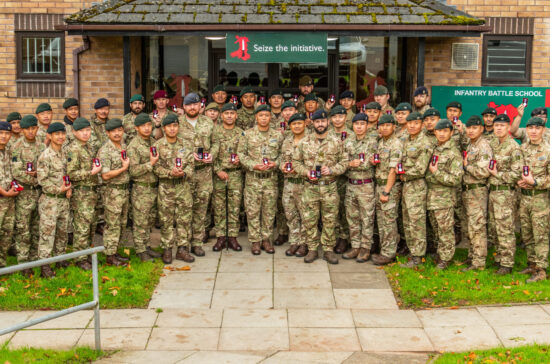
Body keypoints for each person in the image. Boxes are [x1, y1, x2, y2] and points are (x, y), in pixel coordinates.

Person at [293, 109, 347, 264]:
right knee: (310, 220)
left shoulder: (337, 141)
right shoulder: (304, 142)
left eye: (323, 121)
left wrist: (332, 170)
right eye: (317, 121)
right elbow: (296, 162)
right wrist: (306, 172)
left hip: (329, 187)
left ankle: (328, 250)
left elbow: (344, 163)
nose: (321, 124)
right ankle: (312, 249)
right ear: (313, 123)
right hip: (310, 187)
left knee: (330, 220)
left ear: (327, 122)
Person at [238, 104, 282, 255]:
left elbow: (285, 155)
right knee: (252, 211)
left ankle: (266, 240)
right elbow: (241, 155)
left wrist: (275, 163)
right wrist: (253, 165)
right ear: (256, 117)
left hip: (270, 179)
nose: (264, 118)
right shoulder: (247, 134)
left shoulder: (277, 135)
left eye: (266, 115)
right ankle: (255, 241)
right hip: (253, 179)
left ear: (270, 117)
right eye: (261, 115)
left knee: (269, 212)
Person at [178, 93, 217, 257]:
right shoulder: (177, 123)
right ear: (184, 107)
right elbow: (171, 144)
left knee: (201, 210)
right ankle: (182, 245)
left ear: (201, 106)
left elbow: (216, 142)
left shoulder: (208, 122)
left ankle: (197, 243)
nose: (192, 107)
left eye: (195, 104)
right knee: (183, 211)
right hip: (185, 174)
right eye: (189, 105)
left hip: (204, 173)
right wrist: (187, 156)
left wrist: (212, 154)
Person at [153, 114, 195, 264]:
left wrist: (184, 173)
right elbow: (155, 167)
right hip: (166, 188)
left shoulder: (186, 144)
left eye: (175, 126)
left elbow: (191, 164)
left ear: (178, 127)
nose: (172, 129)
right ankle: (167, 249)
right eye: (169, 126)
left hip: (183, 187)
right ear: (164, 128)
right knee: (166, 220)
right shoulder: (157, 145)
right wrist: (169, 173)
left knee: (184, 220)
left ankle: (182, 249)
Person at [425, 119, 463, 270]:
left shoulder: (453, 153)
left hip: (444, 197)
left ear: (451, 133)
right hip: (432, 196)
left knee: (445, 229)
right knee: (436, 228)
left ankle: (446, 259)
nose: (441, 134)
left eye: (445, 131)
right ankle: (440, 254)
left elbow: (455, 179)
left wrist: (437, 173)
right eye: (439, 131)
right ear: (434, 132)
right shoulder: (435, 149)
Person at [487, 114, 522, 275]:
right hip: (493, 193)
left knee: (505, 229)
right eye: (496, 126)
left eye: (502, 125)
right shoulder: (492, 144)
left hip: (506, 194)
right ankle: (499, 258)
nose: (499, 128)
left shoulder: (513, 147)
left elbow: (516, 174)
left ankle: (507, 264)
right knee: (494, 228)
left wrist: (496, 175)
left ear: (508, 128)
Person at [36, 122, 72, 278]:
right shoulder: (45, 156)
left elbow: (66, 174)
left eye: (62, 134)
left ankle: (60, 259)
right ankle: (44, 266)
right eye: (56, 134)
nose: (60, 137)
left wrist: (68, 188)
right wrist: (59, 190)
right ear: (49, 136)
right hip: (50, 201)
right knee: (47, 234)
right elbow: (42, 181)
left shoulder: (64, 153)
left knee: (62, 233)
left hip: (63, 200)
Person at [517, 116, 550, 283]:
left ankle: (541, 269)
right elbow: (517, 169)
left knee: (540, 235)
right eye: (530, 128)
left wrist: (535, 182)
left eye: (537, 128)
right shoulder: (523, 148)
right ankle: (531, 264)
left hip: (540, 199)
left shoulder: (548, 151)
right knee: (527, 234)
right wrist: (519, 180)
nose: (534, 131)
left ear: (543, 130)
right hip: (524, 198)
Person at [10, 115, 45, 274]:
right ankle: (23, 264)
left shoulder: (42, 146)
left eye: (33, 128)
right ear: (22, 130)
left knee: (37, 228)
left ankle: (34, 258)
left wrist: (39, 176)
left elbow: (45, 167)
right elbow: (16, 172)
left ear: (37, 128)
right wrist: (37, 178)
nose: (31, 132)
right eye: (27, 129)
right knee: (23, 230)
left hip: (39, 193)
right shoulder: (16, 147)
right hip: (24, 194)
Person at [66, 117, 101, 270]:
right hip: (81, 193)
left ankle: (87, 254)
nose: (86, 133)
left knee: (91, 225)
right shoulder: (73, 149)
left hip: (91, 193)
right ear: (74, 132)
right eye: (82, 131)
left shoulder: (89, 147)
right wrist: (91, 172)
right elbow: (71, 173)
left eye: (87, 130)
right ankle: (80, 258)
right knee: (82, 226)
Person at [342, 113, 377, 262]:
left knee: (367, 218)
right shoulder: (347, 142)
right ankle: (355, 246)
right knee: (352, 218)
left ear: (367, 126)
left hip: (366, 184)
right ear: (353, 126)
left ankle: (365, 248)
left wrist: (356, 163)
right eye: (357, 124)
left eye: (362, 124)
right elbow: (343, 161)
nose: (359, 127)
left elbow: (370, 162)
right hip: (351, 184)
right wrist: (350, 164)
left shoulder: (373, 142)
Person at [127, 113, 162, 262]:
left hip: (153, 187)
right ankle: (140, 250)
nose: (147, 128)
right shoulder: (133, 146)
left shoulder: (153, 142)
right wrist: (151, 164)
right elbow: (133, 170)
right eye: (143, 126)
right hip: (141, 189)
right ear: (136, 128)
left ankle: (146, 246)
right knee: (140, 221)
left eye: (149, 125)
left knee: (149, 220)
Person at [399, 112, 433, 268]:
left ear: (422, 125)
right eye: (409, 123)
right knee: (407, 221)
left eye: (416, 123)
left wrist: (403, 173)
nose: (412, 126)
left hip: (417, 186)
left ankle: (418, 256)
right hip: (406, 186)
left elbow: (420, 169)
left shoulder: (424, 143)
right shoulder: (406, 140)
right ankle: (412, 252)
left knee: (416, 222)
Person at [211, 103, 244, 252]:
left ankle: (232, 237)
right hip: (219, 174)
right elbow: (210, 154)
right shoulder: (215, 132)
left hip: (236, 174)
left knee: (234, 207)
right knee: (219, 207)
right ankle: (220, 237)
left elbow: (247, 153)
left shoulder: (241, 133)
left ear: (236, 115)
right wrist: (217, 170)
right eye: (226, 113)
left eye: (232, 113)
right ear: (221, 115)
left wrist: (240, 160)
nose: (229, 116)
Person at [371, 114, 403, 265]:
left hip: (389, 186)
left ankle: (389, 254)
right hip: (379, 184)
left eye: (387, 125)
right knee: (382, 221)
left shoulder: (395, 144)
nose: (384, 128)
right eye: (381, 126)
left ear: (394, 127)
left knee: (389, 221)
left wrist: (386, 191)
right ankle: (384, 250)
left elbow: (393, 170)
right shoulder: (381, 142)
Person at [98, 118, 130, 266]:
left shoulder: (123, 146)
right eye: (113, 131)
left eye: (119, 130)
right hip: (112, 192)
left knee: (122, 223)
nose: (117, 133)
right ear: (107, 133)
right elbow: (105, 175)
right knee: (112, 225)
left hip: (123, 191)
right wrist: (123, 168)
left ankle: (115, 251)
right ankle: (110, 257)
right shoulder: (105, 151)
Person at [462, 115, 492, 271]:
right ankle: (472, 256)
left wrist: (467, 167)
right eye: (469, 128)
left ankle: (479, 262)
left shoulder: (483, 146)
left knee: (478, 227)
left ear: (481, 129)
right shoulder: (470, 144)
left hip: (477, 190)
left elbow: (484, 171)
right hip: (468, 190)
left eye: (474, 128)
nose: (471, 131)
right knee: (470, 226)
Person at [280, 113, 308, 257]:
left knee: (305, 215)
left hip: (305, 184)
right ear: (290, 126)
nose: (297, 126)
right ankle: (294, 241)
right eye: (294, 124)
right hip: (289, 183)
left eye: (299, 123)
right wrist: (282, 166)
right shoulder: (287, 141)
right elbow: (281, 158)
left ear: (305, 124)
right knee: (291, 214)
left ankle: (304, 244)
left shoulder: (310, 140)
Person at [328, 105, 352, 254]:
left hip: (346, 178)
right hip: (330, 178)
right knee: (331, 210)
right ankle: (334, 236)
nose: (337, 119)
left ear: (345, 118)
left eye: (340, 117)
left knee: (344, 209)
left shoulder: (352, 134)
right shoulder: (327, 134)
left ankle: (344, 238)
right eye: (335, 117)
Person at [0, 121, 18, 269]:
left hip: (9, 200)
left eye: (7, 133)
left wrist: (13, 187)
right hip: (2, 197)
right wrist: (5, 192)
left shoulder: (8, 151)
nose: (4, 136)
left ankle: (2, 265)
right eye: (1, 133)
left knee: (7, 234)